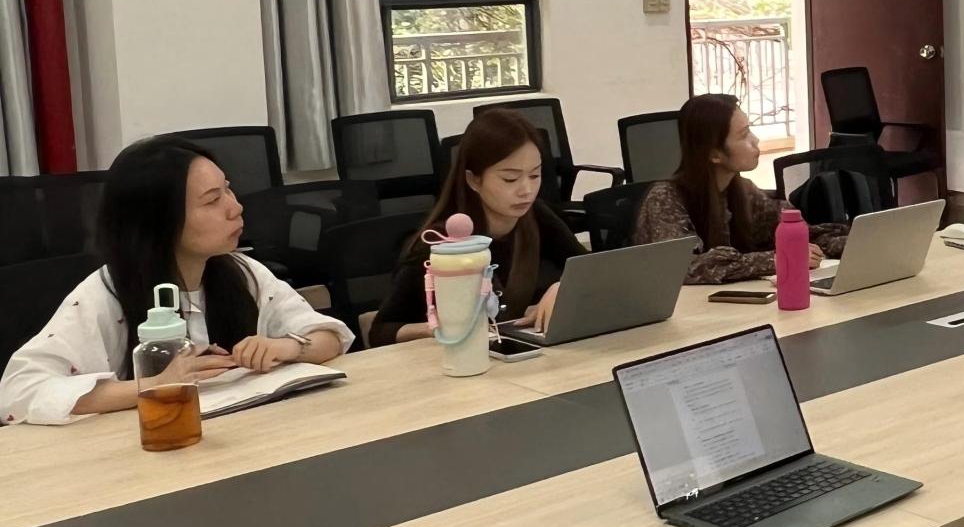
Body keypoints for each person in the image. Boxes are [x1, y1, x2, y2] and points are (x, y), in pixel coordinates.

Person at [0, 136, 351, 426]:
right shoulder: (107, 293)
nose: (235, 207)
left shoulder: (243, 271)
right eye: (212, 200)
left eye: (228, 190)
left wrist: (288, 347)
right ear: (159, 222)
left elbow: (330, 337)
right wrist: (154, 385)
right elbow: (19, 389)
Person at [369, 109, 584, 347]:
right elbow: (381, 331)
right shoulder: (441, 243)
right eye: (510, 179)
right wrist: (442, 327)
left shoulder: (537, 216)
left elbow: (590, 269)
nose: (526, 190)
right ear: (473, 180)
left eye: (535, 176)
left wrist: (563, 288)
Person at [634, 94, 847, 286]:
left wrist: (852, 244)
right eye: (744, 135)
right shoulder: (664, 199)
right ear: (714, 154)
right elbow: (682, 267)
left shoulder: (743, 191)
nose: (755, 140)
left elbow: (803, 234)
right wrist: (778, 259)